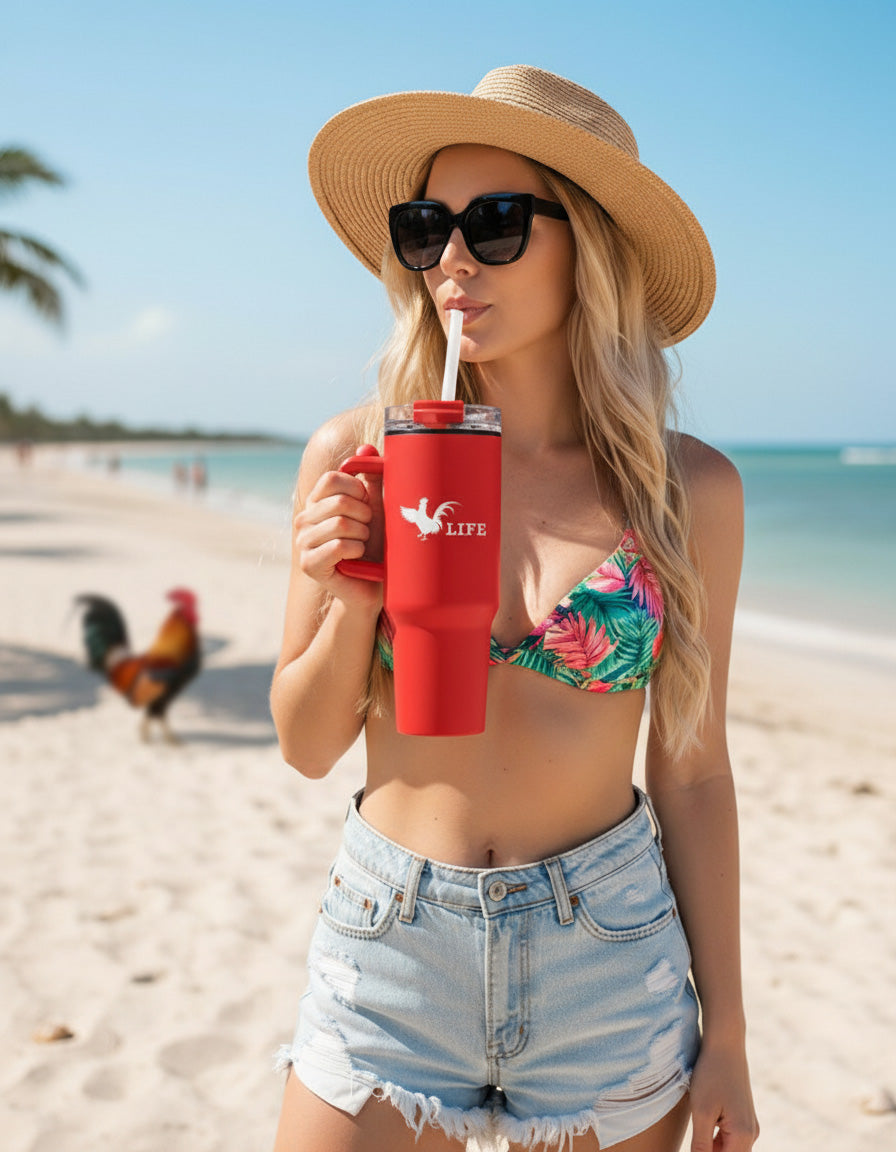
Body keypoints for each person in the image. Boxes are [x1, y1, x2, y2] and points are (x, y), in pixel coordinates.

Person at [271, 65, 759, 1152]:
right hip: (390, 939)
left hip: (608, 950)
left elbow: (692, 768)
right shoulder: (357, 454)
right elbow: (305, 746)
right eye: (425, 228)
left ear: (589, 246)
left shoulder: (686, 491)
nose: (451, 259)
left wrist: (726, 1030)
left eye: (493, 223)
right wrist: (351, 591)